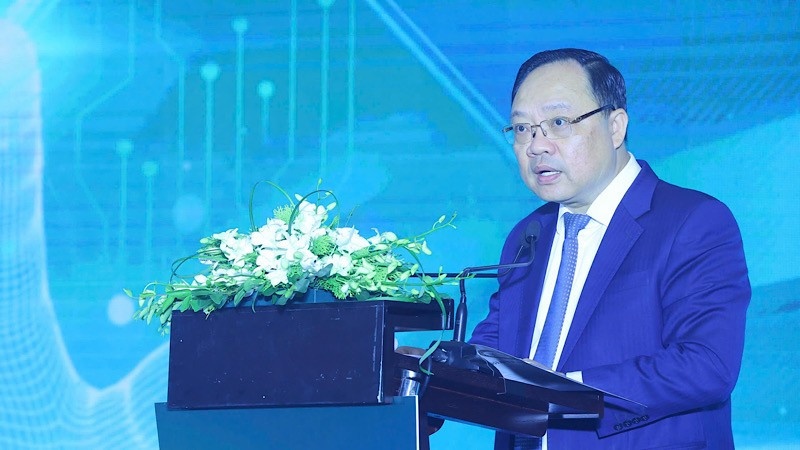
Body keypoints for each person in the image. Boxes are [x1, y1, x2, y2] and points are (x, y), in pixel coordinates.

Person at [465, 48, 750, 449]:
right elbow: (495, 352)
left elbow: (707, 366)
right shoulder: (528, 235)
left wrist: (566, 392)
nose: (536, 146)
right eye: (523, 128)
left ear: (615, 127)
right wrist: (425, 371)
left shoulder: (692, 221)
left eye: (558, 123)